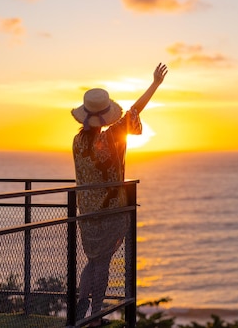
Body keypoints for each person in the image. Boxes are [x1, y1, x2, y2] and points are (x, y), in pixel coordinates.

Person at [71, 63, 167, 325]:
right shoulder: (111, 137)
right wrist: (155, 84)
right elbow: (135, 111)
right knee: (102, 264)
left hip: (86, 211)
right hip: (111, 210)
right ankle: (95, 315)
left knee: (93, 259)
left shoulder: (78, 141)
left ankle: (81, 305)